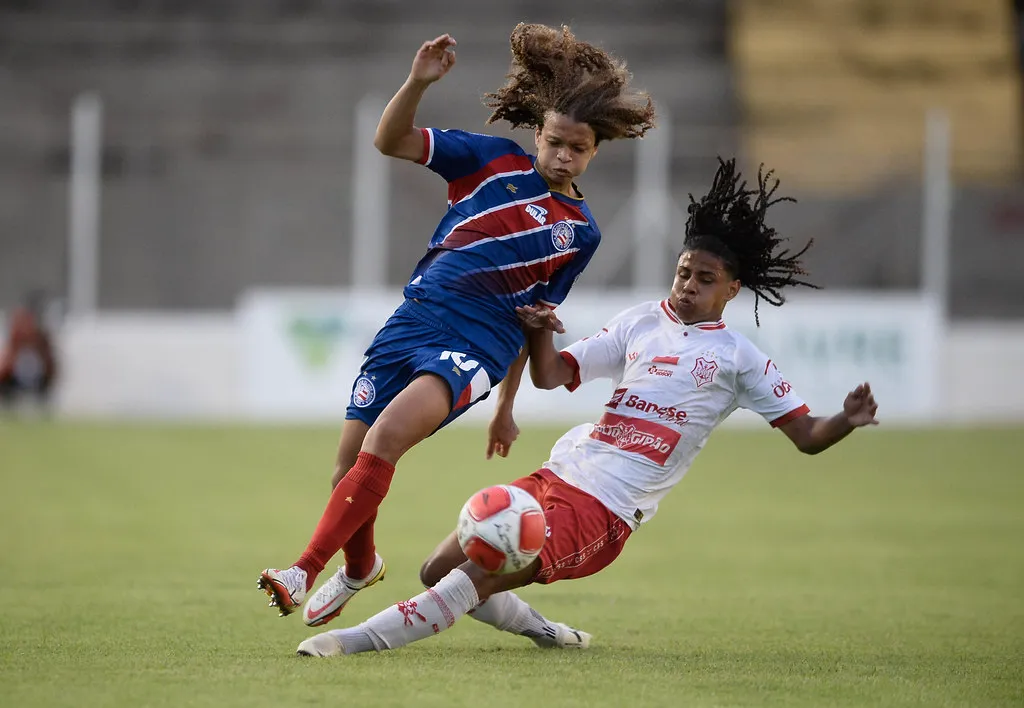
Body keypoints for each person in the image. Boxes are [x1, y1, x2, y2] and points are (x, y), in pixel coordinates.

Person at [293, 158, 881, 657]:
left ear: (732, 289)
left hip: (608, 508)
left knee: (475, 575)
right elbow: (551, 376)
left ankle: (352, 643)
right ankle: (544, 632)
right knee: (436, 570)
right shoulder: (641, 323)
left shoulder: (738, 357)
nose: (688, 285)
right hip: (561, 471)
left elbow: (805, 433)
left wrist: (844, 421)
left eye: (705, 279)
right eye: (683, 272)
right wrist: (543, 330)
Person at [258, 23, 656, 625]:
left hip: (478, 345)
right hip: (411, 321)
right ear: (539, 133)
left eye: (577, 148)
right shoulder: (489, 160)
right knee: (348, 469)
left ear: (594, 151)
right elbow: (391, 140)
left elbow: (534, 321)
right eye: (554, 142)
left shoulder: (581, 232)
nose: (562, 155)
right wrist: (417, 82)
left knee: (385, 439)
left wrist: (506, 405)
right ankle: (361, 567)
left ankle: (303, 568)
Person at [0, 296, 58, 411]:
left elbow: (50, 363)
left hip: (38, 377)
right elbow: (7, 362)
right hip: (15, 376)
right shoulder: (16, 343)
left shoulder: (41, 341)